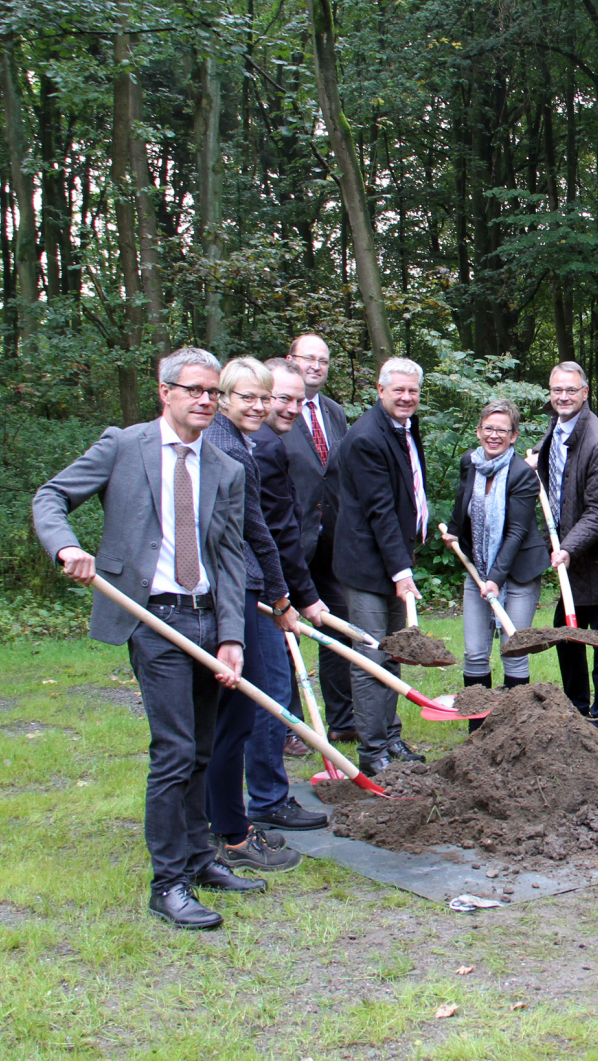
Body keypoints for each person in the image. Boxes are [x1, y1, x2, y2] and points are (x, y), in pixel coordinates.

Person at [33, 347, 259, 930]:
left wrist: (232, 636)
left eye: (214, 392)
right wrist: (67, 546)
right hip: (151, 618)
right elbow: (50, 496)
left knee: (204, 751)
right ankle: (169, 884)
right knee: (176, 749)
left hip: (209, 619)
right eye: (195, 390)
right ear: (166, 391)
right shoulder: (123, 446)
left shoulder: (226, 468)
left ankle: (200, 858)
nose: (206, 400)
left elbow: (231, 557)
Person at [201, 357, 317, 871]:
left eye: (263, 397)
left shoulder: (235, 442)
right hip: (239, 590)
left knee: (234, 711)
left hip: (244, 588)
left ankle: (226, 820)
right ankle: (240, 821)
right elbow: (257, 531)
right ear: (225, 397)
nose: (259, 406)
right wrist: (281, 596)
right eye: (246, 396)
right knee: (247, 704)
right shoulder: (230, 448)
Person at [231, 357, 333, 847]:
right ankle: (269, 800)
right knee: (270, 690)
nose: (290, 408)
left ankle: (257, 798)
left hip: (257, 585)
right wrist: (294, 597)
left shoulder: (258, 440)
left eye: (297, 400)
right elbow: (274, 533)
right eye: (280, 398)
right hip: (256, 589)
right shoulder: (264, 447)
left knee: (262, 693)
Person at [331, 357, 432, 779]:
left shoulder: (405, 427)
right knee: (372, 657)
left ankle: (390, 737)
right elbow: (380, 511)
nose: (406, 397)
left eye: (413, 391)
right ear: (380, 390)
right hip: (368, 567)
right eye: (399, 391)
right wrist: (400, 571)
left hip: (392, 560)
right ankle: (373, 753)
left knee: (393, 652)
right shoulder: (367, 438)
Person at [534, 362, 598, 731]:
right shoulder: (557, 431)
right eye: (557, 389)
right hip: (569, 561)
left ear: (585, 393)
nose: (563, 396)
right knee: (567, 635)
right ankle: (575, 708)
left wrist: (567, 548)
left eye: (571, 390)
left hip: (597, 562)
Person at [442, 398, 547, 692]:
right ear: (478, 431)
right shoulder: (470, 462)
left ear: (513, 436)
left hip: (519, 573)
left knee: (514, 651)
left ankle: (512, 729)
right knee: (474, 653)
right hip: (478, 567)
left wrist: (494, 579)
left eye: (502, 430)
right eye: (488, 428)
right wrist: (452, 530)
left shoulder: (522, 475)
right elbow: (463, 499)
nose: (494, 435)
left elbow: (515, 532)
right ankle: (478, 729)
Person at [282, 333, 354, 741]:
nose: (316, 366)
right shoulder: (275, 411)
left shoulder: (334, 412)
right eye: (308, 358)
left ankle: (343, 722)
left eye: (323, 360)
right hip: (289, 540)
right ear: (290, 360)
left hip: (331, 543)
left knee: (338, 624)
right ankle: (290, 726)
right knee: (283, 632)